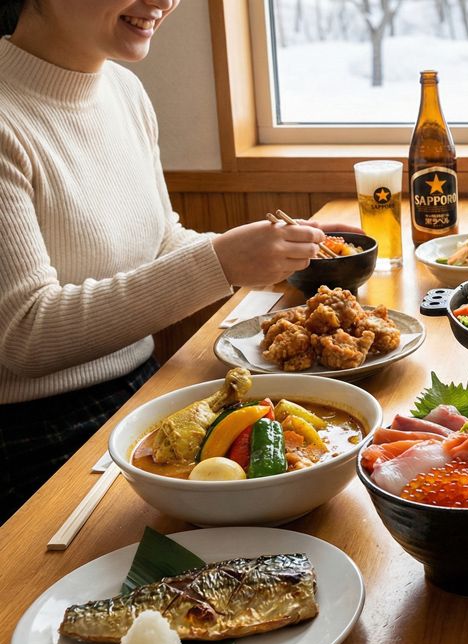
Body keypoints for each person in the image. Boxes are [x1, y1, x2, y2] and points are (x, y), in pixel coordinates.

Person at [0, 0, 355, 520]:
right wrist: (222, 263)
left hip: (144, 389)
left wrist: (274, 249)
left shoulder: (124, 91)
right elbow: (25, 335)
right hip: (36, 438)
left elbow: (161, 240)